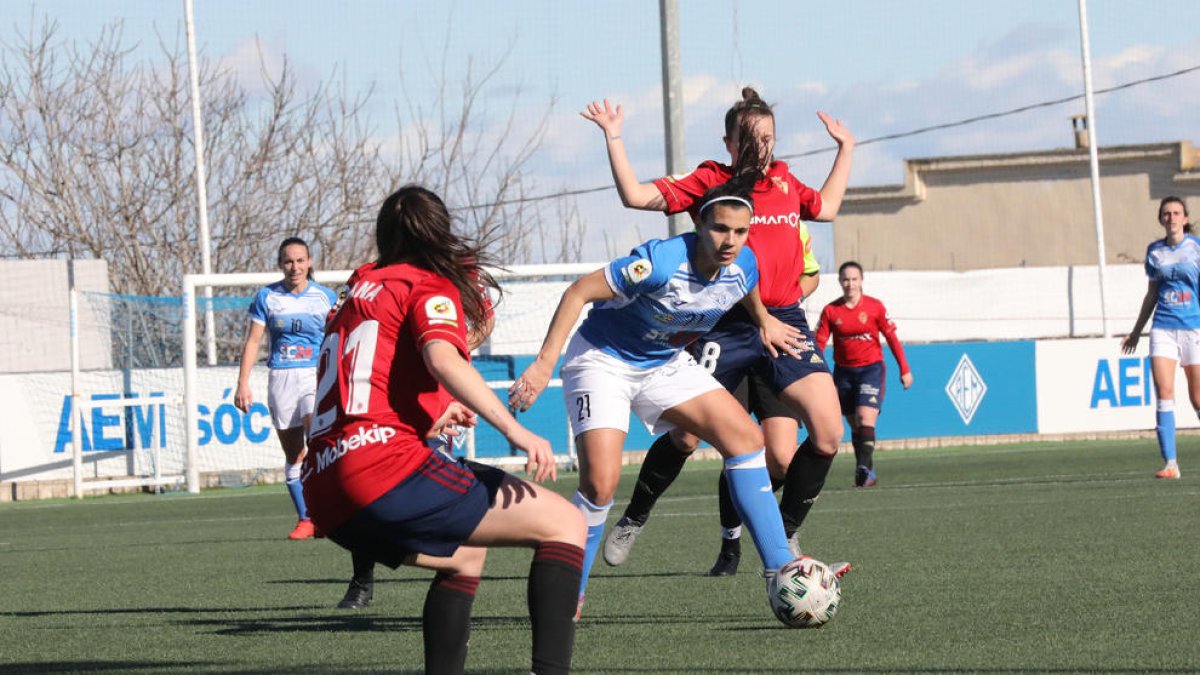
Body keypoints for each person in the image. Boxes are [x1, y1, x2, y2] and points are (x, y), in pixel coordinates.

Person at [302, 185, 585, 675]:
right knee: (567, 524)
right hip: (380, 471)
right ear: (439, 230)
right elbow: (442, 360)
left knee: (464, 556)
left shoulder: (359, 289)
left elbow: (361, 384)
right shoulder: (425, 285)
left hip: (323, 488)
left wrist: (428, 416)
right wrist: (516, 431)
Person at [581, 87, 854, 577]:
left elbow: (828, 208)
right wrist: (614, 138)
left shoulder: (787, 181)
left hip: (784, 319)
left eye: (768, 137)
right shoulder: (712, 181)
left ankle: (785, 538)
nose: (761, 147)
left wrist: (846, 149)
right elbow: (636, 196)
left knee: (830, 433)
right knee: (685, 436)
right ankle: (635, 515)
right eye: (750, 138)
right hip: (723, 320)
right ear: (728, 142)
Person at [509, 176, 804, 620]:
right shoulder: (661, 261)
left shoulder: (744, 263)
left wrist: (764, 319)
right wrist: (544, 363)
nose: (730, 241)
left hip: (663, 362)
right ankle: (570, 593)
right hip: (603, 361)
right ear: (699, 225)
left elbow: (746, 284)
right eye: (720, 228)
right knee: (600, 485)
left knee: (746, 438)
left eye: (740, 231)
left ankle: (783, 572)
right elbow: (578, 292)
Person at [336, 305, 496, 610]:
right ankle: (362, 581)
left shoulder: (463, 274)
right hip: (389, 390)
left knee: (443, 487)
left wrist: (449, 347)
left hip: (438, 388)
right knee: (372, 490)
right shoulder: (374, 280)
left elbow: (487, 319)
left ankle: (451, 583)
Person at [234, 237, 339, 540]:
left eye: (300, 260)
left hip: (314, 376)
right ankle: (306, 518)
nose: (295, 267)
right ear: (281, 264)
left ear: (310, 262)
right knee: (294, 454)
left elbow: (336, 337)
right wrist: (242, 383)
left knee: (316, 438)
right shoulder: (267, 297)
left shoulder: (325, 297)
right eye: (289, 261)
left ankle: (330, 512)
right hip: (280, 377)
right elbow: (253, 341)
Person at [1121, 196, 1200, 480]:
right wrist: (1137, 330)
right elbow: (1152, 294)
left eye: (1177, 213)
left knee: (1198, 398)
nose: (1172, 218)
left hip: (1193, 327)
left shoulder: (1196, 248)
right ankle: (1171, 463)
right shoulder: (1154, 252)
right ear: (1161, 218)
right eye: (1166, 213)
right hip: (1163, 327)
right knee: (1164, 394)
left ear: (1185, 218)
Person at [815, 261, 913, 488]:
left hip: (871, 369)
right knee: (854, 425)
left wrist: (905, 369)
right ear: (840, 282)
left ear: (861, 281)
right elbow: (819, 343)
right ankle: (868, 472)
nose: (850, 284)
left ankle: (862, 468)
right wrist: (815, 372)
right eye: (845, 279)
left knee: (865, 418)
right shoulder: (831, 311)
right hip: (844, 373)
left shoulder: (874, 307)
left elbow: (892, 338)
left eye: (854, 279)